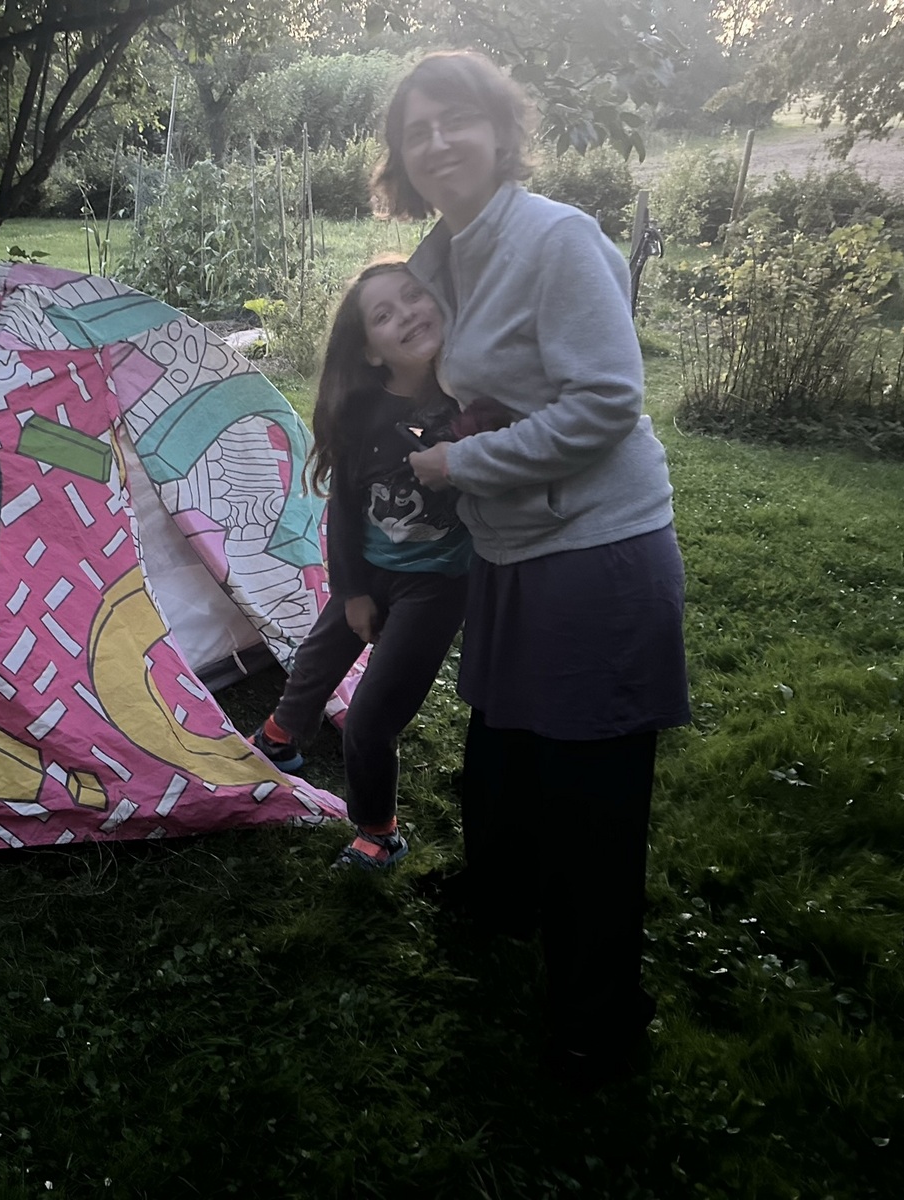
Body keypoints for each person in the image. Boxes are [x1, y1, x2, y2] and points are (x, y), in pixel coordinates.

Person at [375, 50, 691, 1084]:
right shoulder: (442, 257)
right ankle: (500, 899)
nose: (436, 143)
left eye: (455, 120)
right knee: (503, 745)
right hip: (511, 542)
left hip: (596, 548)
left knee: (591, 796)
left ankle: (599, 1022)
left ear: (501, 131)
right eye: (416, 131)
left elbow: (606, 404)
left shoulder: (556, 239)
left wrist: (459, 462)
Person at [249, 258, 510, 870]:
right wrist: (352, 592)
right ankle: (281, 738)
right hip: (368, 570)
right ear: (369, 349)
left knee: (370, 718)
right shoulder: (361, 411)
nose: (407, 315)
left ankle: (379, 832)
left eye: (414, 296)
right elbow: (342, 507)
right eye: (384, 315)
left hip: (438, 586)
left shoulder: (470, 399)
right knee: (314, 661)